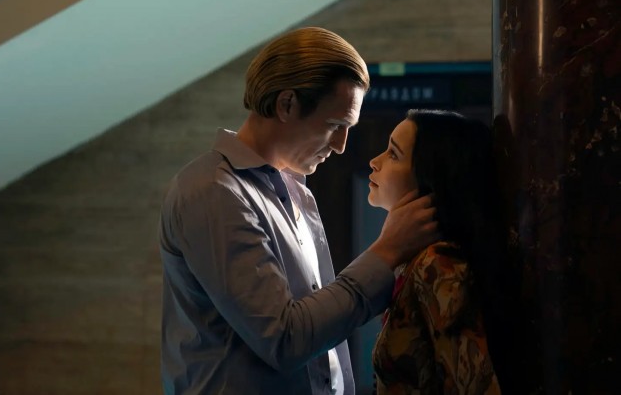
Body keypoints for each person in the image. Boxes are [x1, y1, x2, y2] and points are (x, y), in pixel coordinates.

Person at [158, 27, 439, 395]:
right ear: (287, 104)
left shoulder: (294, 192)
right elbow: (285, 339)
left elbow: (319, 342)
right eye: (335, 125)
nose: (341, 146)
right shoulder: (213, 191)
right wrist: (387, 253)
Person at [369, 109, 508, 394]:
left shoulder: (438, 263)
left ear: (430, 177)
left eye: (393, 154)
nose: (374, 162)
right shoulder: (416, 260)